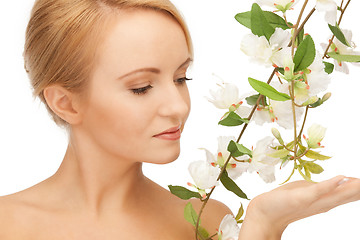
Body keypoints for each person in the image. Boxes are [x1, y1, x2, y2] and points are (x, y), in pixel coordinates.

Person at [0, 0, 359, 239]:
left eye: (181, 78)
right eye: (141, 87)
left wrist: (264, 224)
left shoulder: (205, 222)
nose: (178, 106)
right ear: (65, 103)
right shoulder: (8, 223)